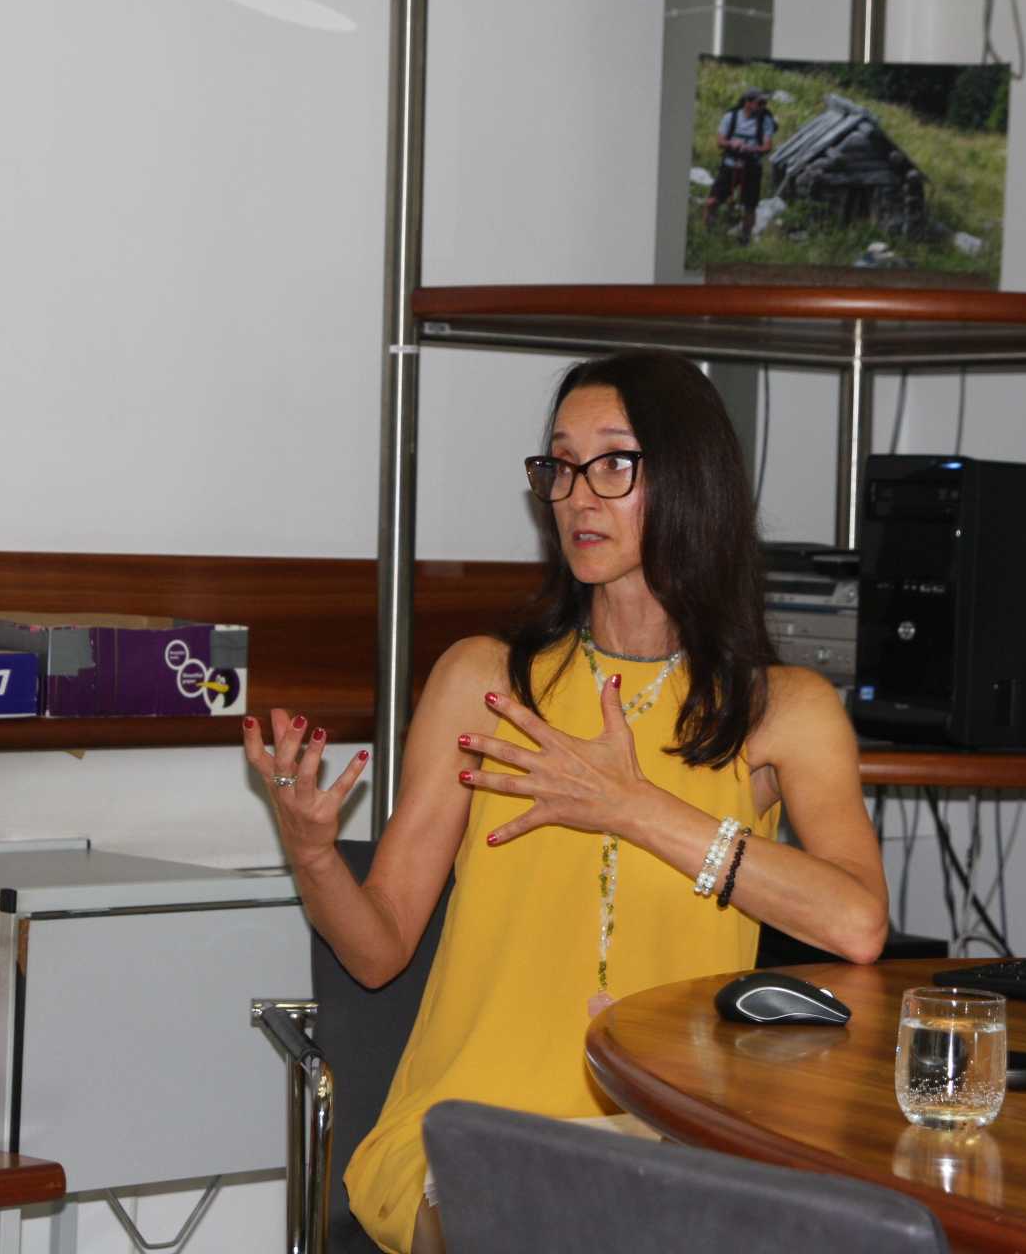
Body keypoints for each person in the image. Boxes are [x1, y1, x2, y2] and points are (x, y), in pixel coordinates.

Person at [242, 351, 888, 1254]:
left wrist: (633, 807)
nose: (578, 496)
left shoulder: (782, 711)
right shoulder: (484, 681)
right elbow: (379, 950)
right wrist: (312, 853)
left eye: (614, 463)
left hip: (677, 1136)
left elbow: (857, 924)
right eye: (561, 466)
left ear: (690, 480)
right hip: (474, 1133)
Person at [702, 86, 779, 245]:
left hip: (752, 166)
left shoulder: (766, 119)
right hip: (730, 165)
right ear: (747, 102)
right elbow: (720, 141)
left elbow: (767, 146)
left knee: (749, 206)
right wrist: (732, 144)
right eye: (760, 103)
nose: (763, 106)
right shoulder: (730, 117)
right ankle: (707, 233)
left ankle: (744, 240)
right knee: (712, 202)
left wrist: (750, 148)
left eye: (764, 103)